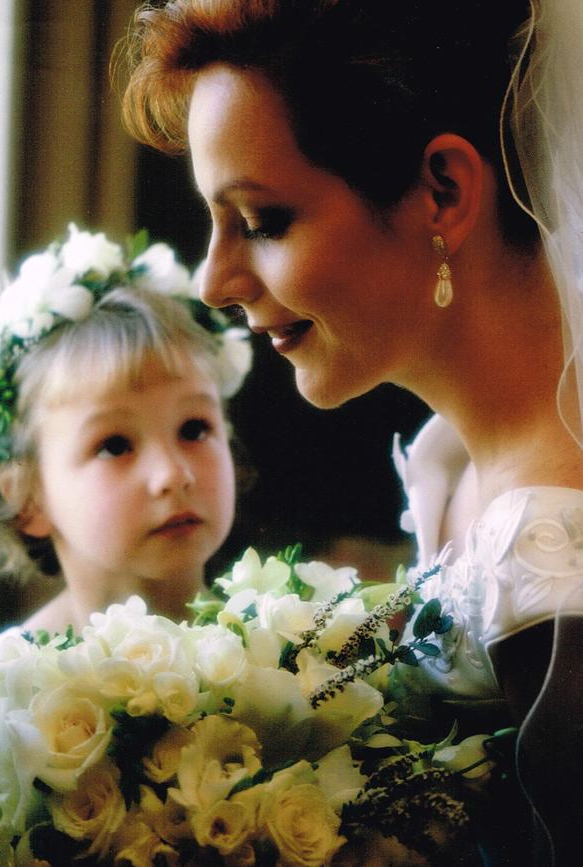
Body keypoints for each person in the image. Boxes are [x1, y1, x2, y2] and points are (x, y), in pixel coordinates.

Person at [121, 0, 583, 862]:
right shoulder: (455, 454)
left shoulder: (557, 551)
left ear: (441, 191)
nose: (214, 281)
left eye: (261, 222)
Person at [0, 223, 251, 678]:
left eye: (195, 429)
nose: (173, 474)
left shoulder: (295, 655)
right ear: (28, 498)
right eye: (115, 444)